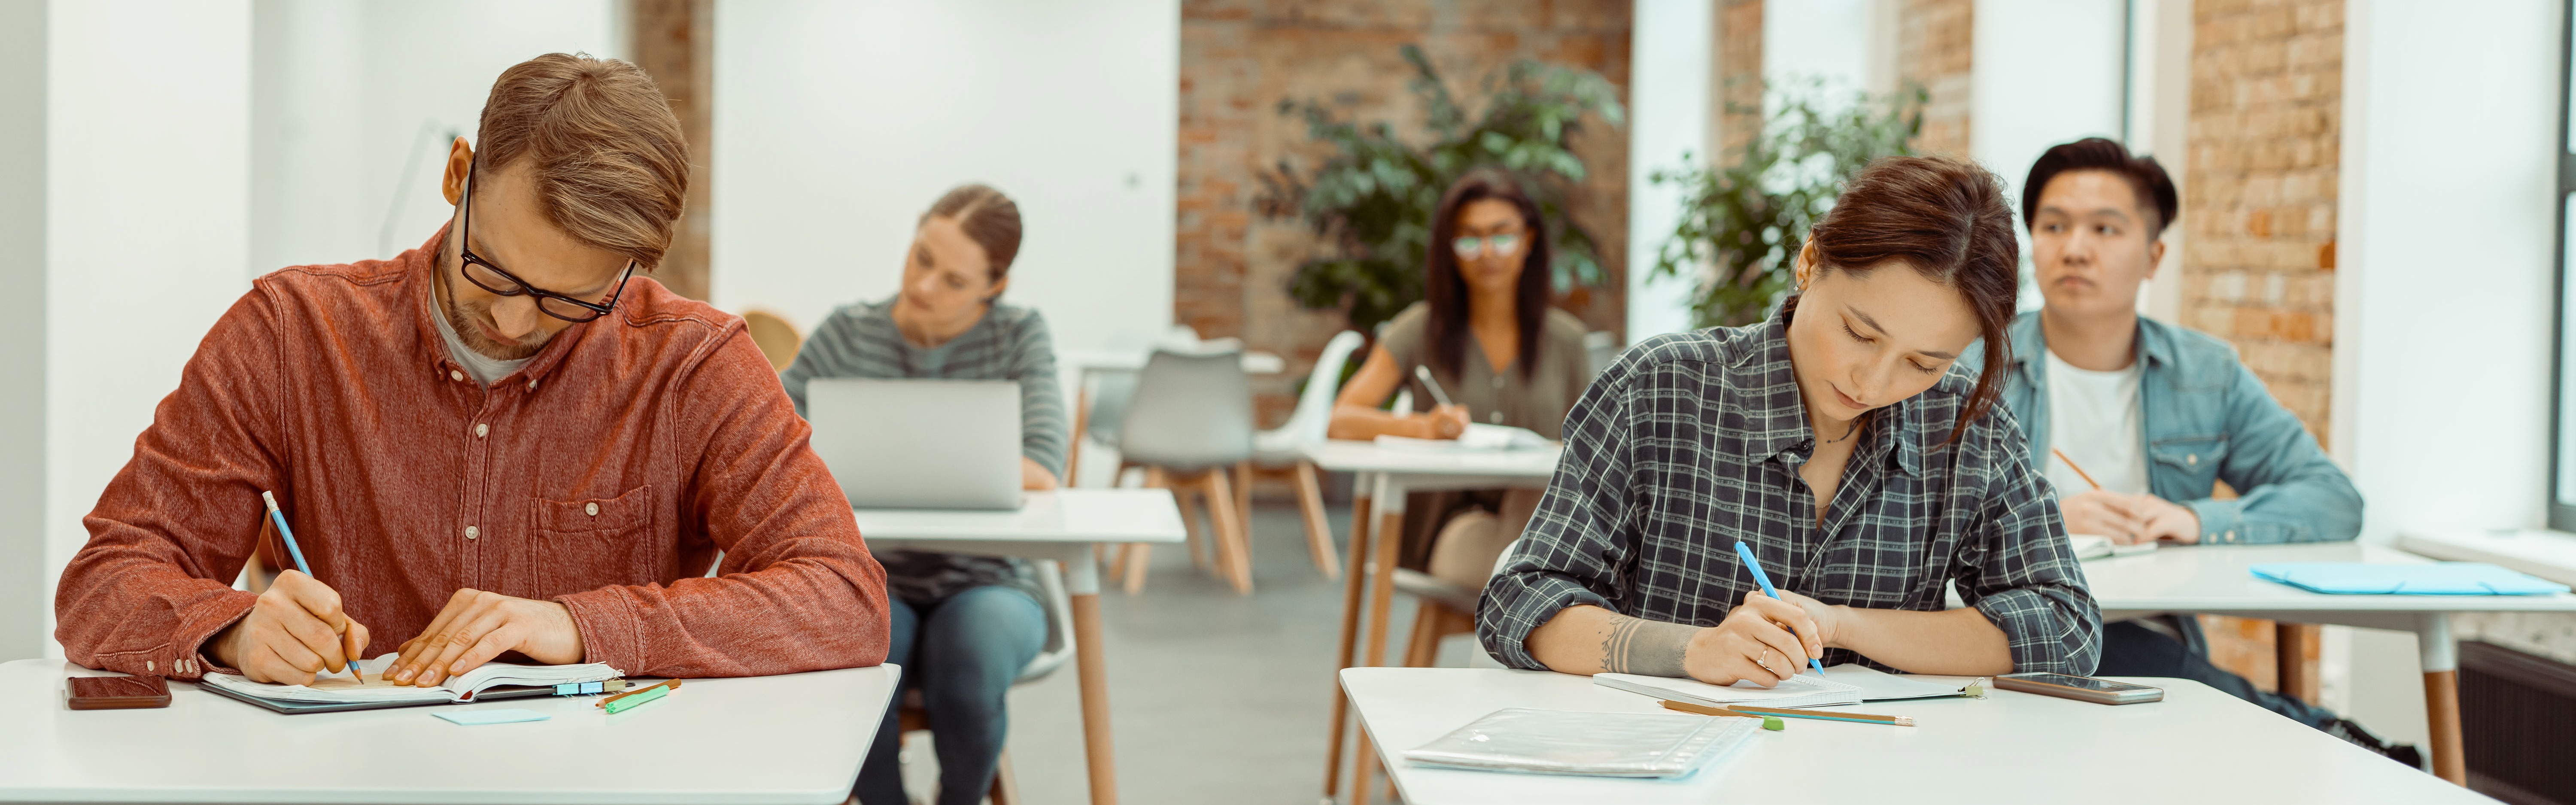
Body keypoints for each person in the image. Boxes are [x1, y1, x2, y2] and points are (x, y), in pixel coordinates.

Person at [53, 55, 890, 693]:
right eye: (496, 270)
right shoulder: (291, 333)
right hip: (355, 779)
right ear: (459, 175)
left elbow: (845, 600)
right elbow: (103, 583)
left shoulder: (693, 364)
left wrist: (582, 623)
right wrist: (233, 629)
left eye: (572, 301)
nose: (518, 322)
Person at [1480, 155, 2100, 683]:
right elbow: (1524, 600)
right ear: (1809, 262)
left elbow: (2064, 626)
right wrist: (1693, 651)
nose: (1874, 382)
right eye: (1859, 333)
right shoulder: (1661, 388)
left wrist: (1843, 623)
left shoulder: (1967, 422)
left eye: (1923, 362)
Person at [1975, 137, 2409, 763]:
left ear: (2153, 256)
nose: (2074, 248)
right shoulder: (1974, 363)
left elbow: (2333, 498)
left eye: (2105, 228)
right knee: (2085, 648)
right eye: (2053, 225)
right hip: (2009, 625)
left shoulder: (2206, 372)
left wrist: (2194, 519)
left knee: (2127, 656)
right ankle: (2320, 733)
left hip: (2148, 629)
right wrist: (2045, 528)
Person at [778, 185, 1060, 805]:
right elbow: (767, 438)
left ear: (996, 286)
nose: (927, 285)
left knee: (971, 658)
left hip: (991, 579)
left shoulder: (1018, 334)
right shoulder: (847, 333)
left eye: (954, 279)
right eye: (922, 256)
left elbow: (1043, 463)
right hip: (869, 573)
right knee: (863, 666)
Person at [1324, 169, 1593, 589]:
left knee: (1539, 508)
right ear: (1450, 250)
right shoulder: (1419, 329)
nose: (1487, 252)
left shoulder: (1567, 341)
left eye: (1502, 236)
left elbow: (1592, 452)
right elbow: (1342, 421)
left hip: (1539, 527)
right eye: (1469, 239)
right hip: (1452, 534)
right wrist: (1423, 428)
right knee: (1543, 565)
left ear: (1529, 241)